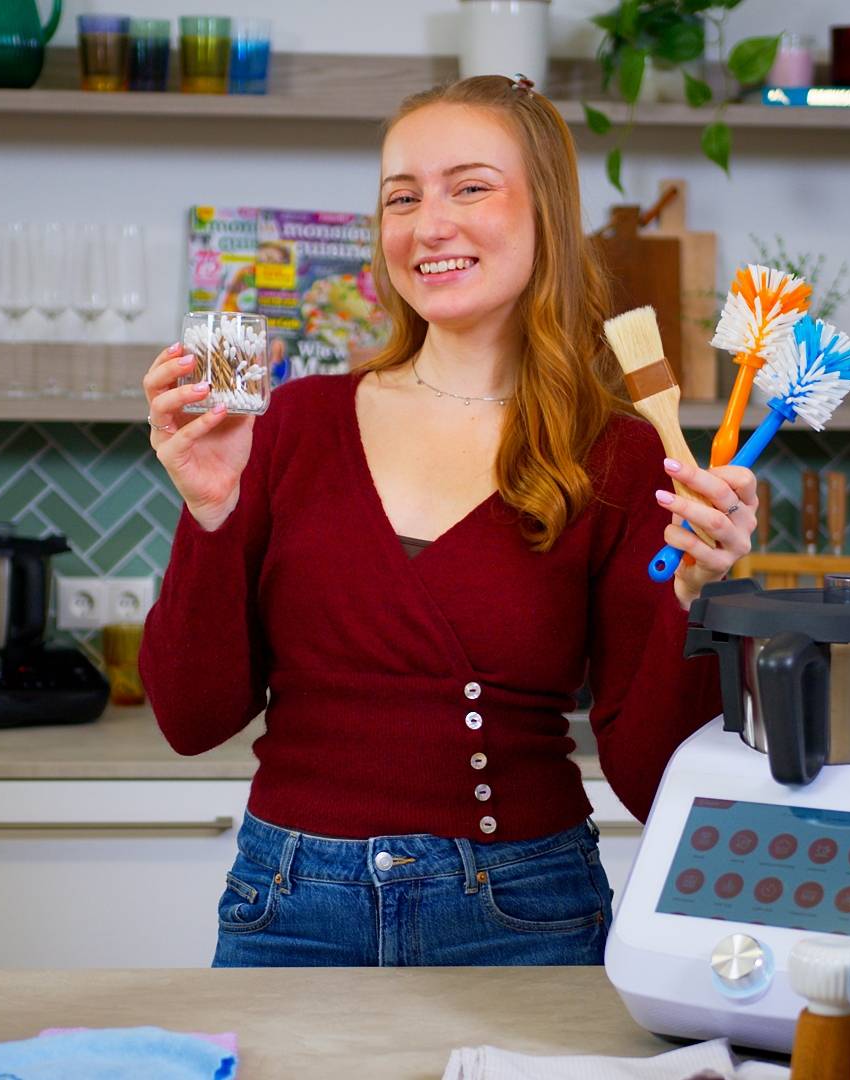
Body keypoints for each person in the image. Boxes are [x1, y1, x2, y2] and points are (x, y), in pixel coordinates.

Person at [137, 75, 760, 968]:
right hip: (289, 906)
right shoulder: (292, 423)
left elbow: (653, 775)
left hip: (525, 910)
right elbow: (192, 719)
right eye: (402, 196)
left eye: (470, 186)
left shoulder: (617, 455)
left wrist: (699, 595)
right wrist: (209, 512)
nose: (428, 224)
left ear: (545, 211)